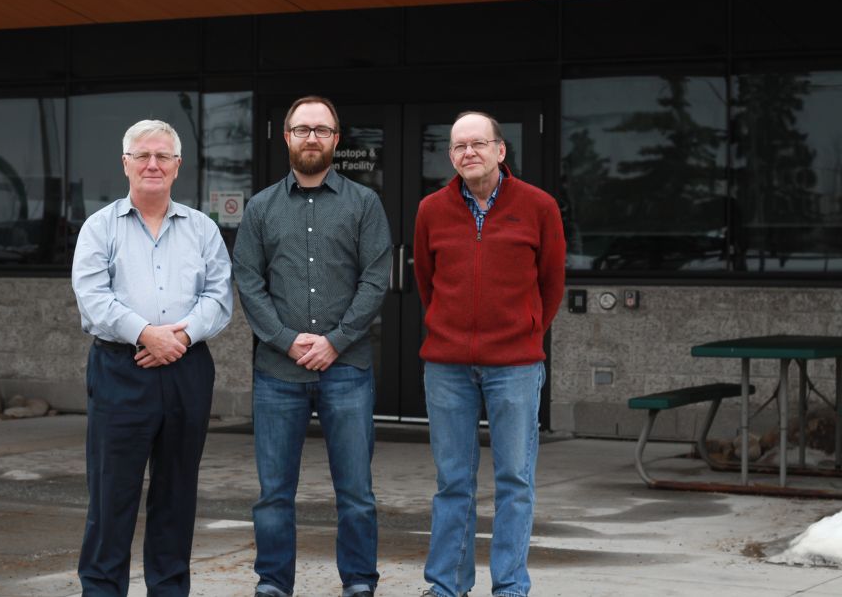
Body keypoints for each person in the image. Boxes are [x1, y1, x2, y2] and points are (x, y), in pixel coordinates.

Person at [233, 96, 392, 597]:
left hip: (348, 368)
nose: (311, 138)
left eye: (322, 130)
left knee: (356, 492)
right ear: (286, 138)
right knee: (274, 493)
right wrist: (284, 339)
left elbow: (376, 279)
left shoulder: (364, 204)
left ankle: (360, 582)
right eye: (302, 129)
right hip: (278, 373)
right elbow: (248, 282)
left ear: (336, 140)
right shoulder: (260, 208)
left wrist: (337, 341)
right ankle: (273, 584)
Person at [72, 119, 233, 596]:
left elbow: (220, 297)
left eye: (163, 156)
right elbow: (93, 297)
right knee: (111, 496)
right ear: (125, 164)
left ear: (178, 166)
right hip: (121, 369)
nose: (152, 164)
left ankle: (168, 589)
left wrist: (178, 339)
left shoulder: (202, 229)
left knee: (177, 494)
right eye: (142, 155)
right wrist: (145, 333)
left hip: (187, 370)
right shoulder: (99, 227)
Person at [413, 111, 566, 597]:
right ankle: (446, 587)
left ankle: (510, 587)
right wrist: (451, 330)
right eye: (458, 146)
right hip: (447, 366)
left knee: (514, 482)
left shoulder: (539, 207)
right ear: (451, 156)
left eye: (478, 144)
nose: (468, 153)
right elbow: (426, 284)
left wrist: (526, 333)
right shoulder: (431, 210)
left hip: (515, 366)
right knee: (452, 483)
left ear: (501, 150)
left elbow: (552, 283)